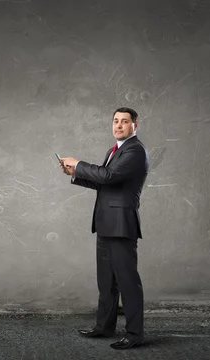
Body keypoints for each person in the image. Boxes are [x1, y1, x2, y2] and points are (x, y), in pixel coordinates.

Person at [59, 107, 149, 350]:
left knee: (128, 282)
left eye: (124, 122)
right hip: (106, 225)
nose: (118, 125)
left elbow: (108, 176)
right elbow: (104, 183)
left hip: (121, 226)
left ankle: (134, 334)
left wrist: (79, 163)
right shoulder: (114, 151)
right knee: (106, 281)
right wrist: (75, 173)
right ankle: (104, 327)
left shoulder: (135, 151)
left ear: (135, 126)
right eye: (115, 121)